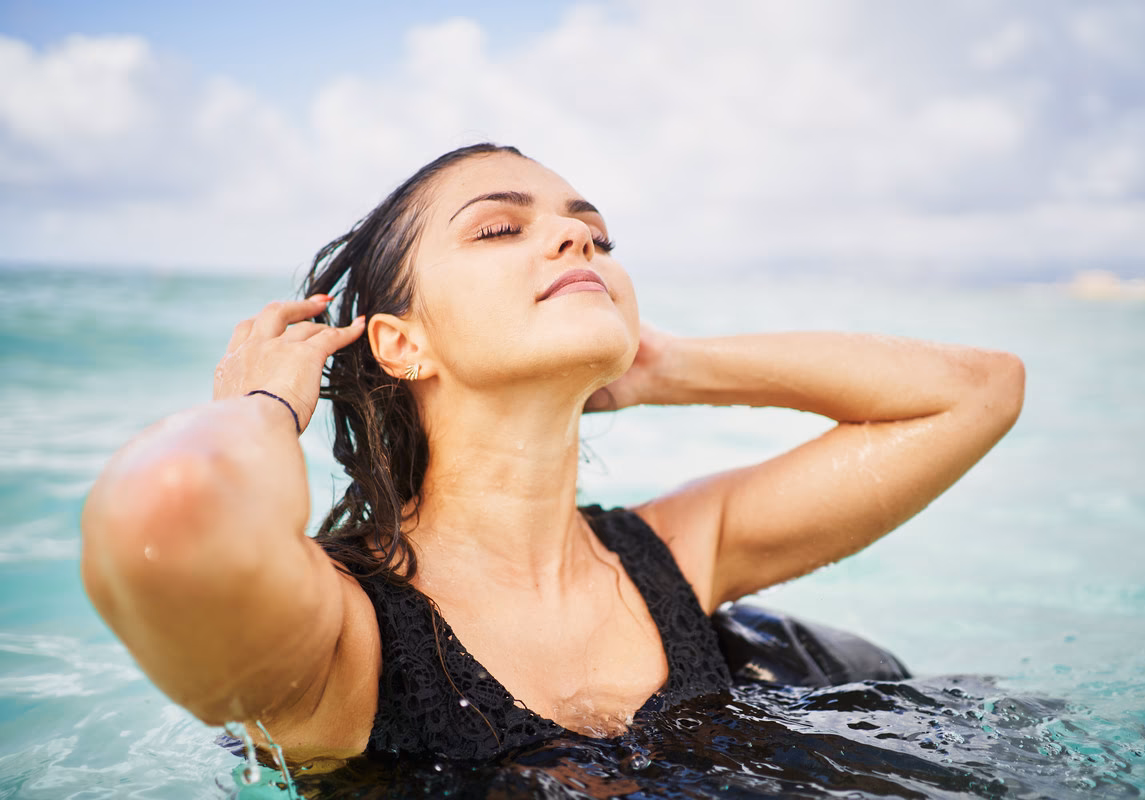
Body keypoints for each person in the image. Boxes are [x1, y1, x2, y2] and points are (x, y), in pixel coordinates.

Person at [81, 143, 1025, 766]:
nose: (576, 235)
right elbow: (166, 514)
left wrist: (668, 364)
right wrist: (264, 402)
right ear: (403, 344)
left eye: (596, 235)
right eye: (500, 227)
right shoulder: (346, 640)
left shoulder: (671, 555)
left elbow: (979, 392)